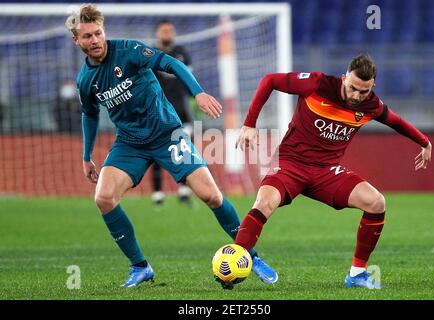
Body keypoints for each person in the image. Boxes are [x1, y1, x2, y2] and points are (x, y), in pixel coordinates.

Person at [65, 4, 277, 288]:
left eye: (98, 33)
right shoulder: (85, 80)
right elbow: (89, 114)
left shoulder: (128, 50)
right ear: (76, 40)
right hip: (130, 142)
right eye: (87, 36)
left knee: (212, 196)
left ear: (104, 31)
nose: (95, 40)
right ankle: (140, 267)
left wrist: (198, 93)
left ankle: (251, 256)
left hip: (167, 133)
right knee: (103, 198)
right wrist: (86, 155)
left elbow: (171, 63)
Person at [232, 55, 432, 289]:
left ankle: (356, 275)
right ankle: (235, 260)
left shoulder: (371, 106)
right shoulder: (317, 84)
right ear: (345, 77)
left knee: (376, 202)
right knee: (264, 202)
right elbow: (270, 80)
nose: (357, 96)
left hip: (327, 173)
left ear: (372, 86)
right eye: (353, 88)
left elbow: (396, 122)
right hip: (292, 165)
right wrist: (249, 124)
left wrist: (424, 142)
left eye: (364, 91)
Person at [151, 19, 195, 207]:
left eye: (170, 30)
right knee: (157, 151)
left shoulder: (182, 53)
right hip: (158, 110)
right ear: (157, 34)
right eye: (164, 30)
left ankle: (184, 191)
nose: (167, 33)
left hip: (181, 110)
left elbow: (190, 79)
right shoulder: (150, 55)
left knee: (184, 150)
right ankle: (158, 195)